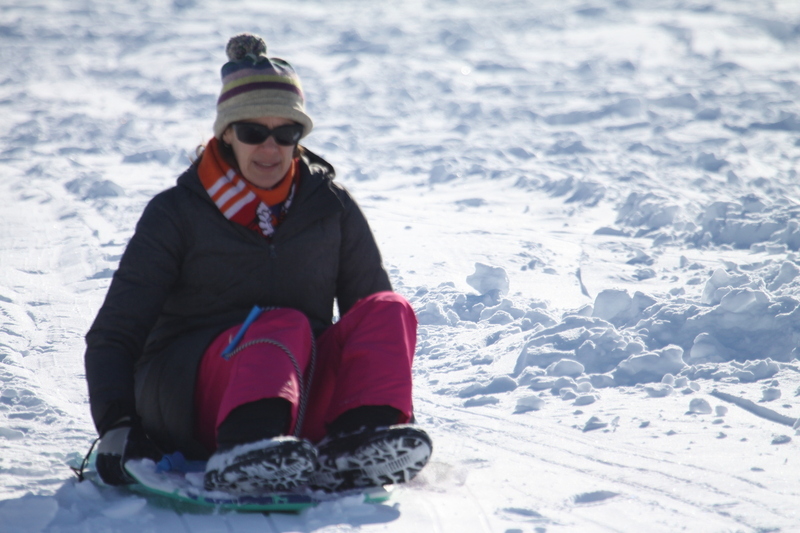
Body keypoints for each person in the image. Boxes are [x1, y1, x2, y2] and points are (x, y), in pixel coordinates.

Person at [84, 33, 431, 494]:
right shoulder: (177, 213)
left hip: (295, 388)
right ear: (226, 133)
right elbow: (114, 332)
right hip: (191, 395)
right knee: (279, 323)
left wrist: (385, 401)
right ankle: (246, 447)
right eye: (252, 132)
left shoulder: (330, 208)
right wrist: (117, 424)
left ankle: (358, 443)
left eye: (285, 133)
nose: (270, 149)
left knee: (389, 309)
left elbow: (368, 326)